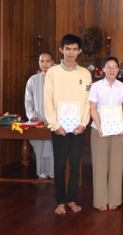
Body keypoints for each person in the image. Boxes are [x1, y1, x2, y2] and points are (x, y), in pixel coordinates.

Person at [44, 34, 92, 215]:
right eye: (67, 49)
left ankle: (71, 199)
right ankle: (60, 201)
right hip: (59, 128)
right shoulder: (53, 72)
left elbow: (88, 101)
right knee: (59, 165)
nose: (71, 53)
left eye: (74, 49)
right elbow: (47, 100)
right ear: (61, 50)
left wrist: (83, 123)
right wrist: (54, 124)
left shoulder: (85, 73)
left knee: (75, 164)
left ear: (79, 51)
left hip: (78, 128)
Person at [88, 56, 123, 211]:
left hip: (118, 130)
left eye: (115, 67)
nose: (112, 70)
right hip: (99, 130)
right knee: (100, 165)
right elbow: (93, 108)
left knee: (116, 165)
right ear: (103, 69)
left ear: (118, 70)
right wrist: (99, 127)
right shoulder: (96, 86)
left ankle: (114, 199)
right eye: (109, 67)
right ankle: (100, 201)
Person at [25, 52, 55, 180]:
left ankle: (54, 173)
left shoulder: (57, 79)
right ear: (39, 63)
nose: (45, 64)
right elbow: (28, 100)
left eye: (47, 61)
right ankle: (41, 172)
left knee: (53, 148)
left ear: (53, 62)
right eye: (42, 61)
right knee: (41, 146)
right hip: (38, 119)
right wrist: (31, 115)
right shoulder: (33, 80)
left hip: (54, 120)